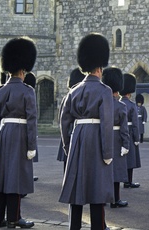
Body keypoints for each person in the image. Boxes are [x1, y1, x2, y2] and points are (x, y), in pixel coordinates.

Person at [59, 33, 114, 230]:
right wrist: (108, 153)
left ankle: (74, 226)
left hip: (77, 138)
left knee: (77, 188)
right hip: (96, 140)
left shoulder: (73, 91)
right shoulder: (104, 91)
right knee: (97, 189)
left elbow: (64, 121)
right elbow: (106, 124)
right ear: (99, 68)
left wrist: (68, 145)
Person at [0, 36, 37, 228]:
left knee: (1, 177)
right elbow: (32, 120)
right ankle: (14, 218)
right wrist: (31, 146)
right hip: (19, 134)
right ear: (23, 70)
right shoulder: (27, 91)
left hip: (2, 134)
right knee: (15, 178)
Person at [102, 67, 130, 208]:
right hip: (117, 139)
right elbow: (124, 128)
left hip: (104, 137)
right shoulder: (121, 106)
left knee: (104, 170)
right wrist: (126, 144)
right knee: (116, 172)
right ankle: (115, 199)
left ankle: (104, 198)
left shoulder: (102, 103)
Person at [56, 68, 85, 173]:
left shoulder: (67, 96)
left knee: (67, 162)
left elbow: (61, 118)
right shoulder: (75, 95)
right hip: (73, 130)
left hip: (67, 132)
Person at [119, 73, 141, 188]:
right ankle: (128, 181)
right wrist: (137, 138)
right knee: (130, 159)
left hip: (119, 133)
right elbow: (135, 124)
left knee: (121, 158)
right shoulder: (132, 105)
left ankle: (122, 180)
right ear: (129, 93)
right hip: (130, 133)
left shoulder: (118, 103)